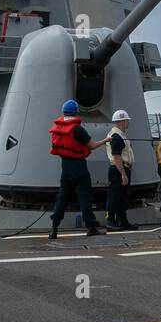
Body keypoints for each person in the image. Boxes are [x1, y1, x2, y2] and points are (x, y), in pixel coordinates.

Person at [48, 99, 109, 239]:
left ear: (63, 112)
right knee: (85, 198)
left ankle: (54, 228)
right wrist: (105, 140)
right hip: (80, 167)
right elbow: (92, 146)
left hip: (65, 168)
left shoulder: (56, 129)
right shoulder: (78, 129)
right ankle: (91, 227)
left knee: (62, 199)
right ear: (76, 112)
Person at [105, 109, 138, 231]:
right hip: (118, 169)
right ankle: (110, 220)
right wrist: (123, 174)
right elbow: (117, 156)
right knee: (115, 196)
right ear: (122, 121)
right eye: (126, 121)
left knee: (122, 196)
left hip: (123, 168)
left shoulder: (120, 135)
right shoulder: (116, 136)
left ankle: (122, 220)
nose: (127, 123)